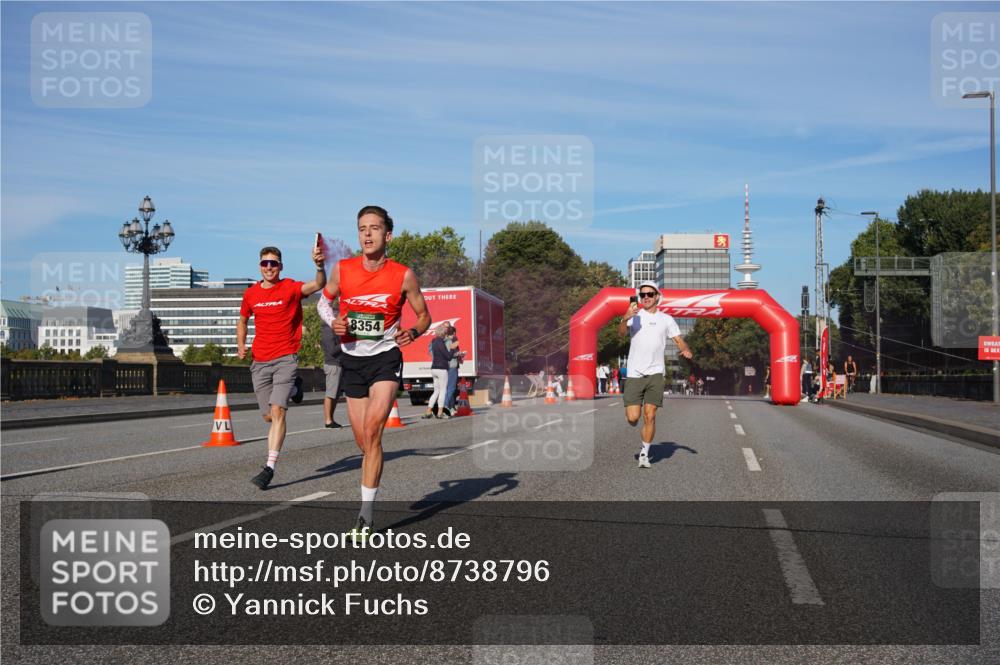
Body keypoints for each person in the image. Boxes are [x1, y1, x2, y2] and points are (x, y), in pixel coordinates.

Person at [317, 205, 431, 542]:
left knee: (373, 429)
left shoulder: (403, 275)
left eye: (375, 228)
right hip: (352, 359)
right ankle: (373, 466)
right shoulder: (343, 270)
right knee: (364, 442)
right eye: (362, 228)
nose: (367, 234)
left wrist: (412, 332)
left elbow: (423, 315)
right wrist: (333, 322)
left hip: (385, 357)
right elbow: (324, 302)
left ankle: (365, 515)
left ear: (388, 234)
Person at [238, 243, 327, 490]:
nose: (269, 267)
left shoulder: (290, 287)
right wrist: (241, 344)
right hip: (260, 360)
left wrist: (319, 266)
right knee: (268, 416)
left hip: (285, 357)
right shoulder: (251, 294)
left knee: (278, 412)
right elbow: (243, 320)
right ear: (260, 266)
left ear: (280, 266)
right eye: (265, 263)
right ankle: (296, 390)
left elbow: (318, 284)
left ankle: (269, 467)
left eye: (273, 263)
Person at [618, 281, 693, 469]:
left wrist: (685, 349)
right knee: (633, 418)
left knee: (649, 415)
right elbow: (620, 335)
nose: (646, 298)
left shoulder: (666, 319)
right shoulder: (634, 315)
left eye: (650, 294)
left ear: (657, 296)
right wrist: (624, 318)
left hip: (656, 373)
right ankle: (637, 427)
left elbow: (678, 339)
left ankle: (645, 453)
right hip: (635, 372)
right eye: (642, 295)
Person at [424, 324, 454, 419]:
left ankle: (428, 411)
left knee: (436, 391)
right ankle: (440, 413)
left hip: (434, 368)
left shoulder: (433, 342)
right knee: (442, 391)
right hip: (442, 369)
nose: (446, 334)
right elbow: (448, 357)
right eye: (445, 333)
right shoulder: (440, 343)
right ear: (443, 334)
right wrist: (452, 349)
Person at [320, 322, 343, 429]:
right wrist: (344, 344)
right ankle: (328, 420)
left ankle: (331, 419)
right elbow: (332, 350)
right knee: (331, 393)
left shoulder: (332, 330)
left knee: (336, 394)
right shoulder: (328, 331)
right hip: (332, 364)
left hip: (338, 364)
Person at [443, 325, 465, 415]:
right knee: (451, 388)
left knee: (448, 388)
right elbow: (450, 353)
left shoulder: (444, 341)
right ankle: (445, 406)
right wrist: (459, 354)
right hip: (451, 366)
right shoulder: (451, 341)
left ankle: (451, 407)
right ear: (454, 333)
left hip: (446, 366)